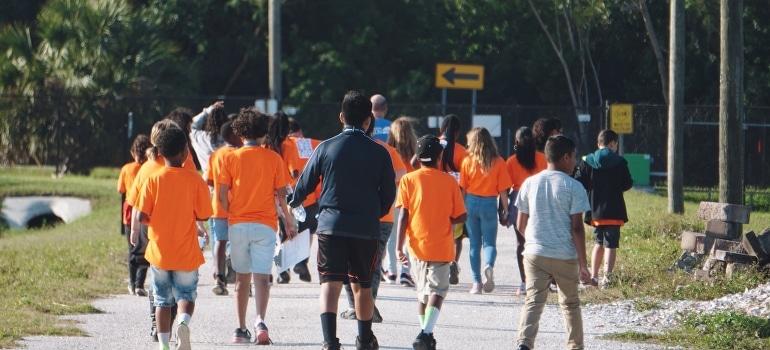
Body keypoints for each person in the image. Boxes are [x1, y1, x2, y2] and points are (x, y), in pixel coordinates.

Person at [290, 91, 396, 350]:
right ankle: (364, 339)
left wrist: (293, 203)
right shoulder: (380, 153)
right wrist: (374, 214)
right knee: (362, 285)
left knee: (330, 284)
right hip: (365, 228)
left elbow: (303, 185)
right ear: (368, 121)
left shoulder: (325, 147)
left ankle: (330, 341)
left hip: (330, 226)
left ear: (341, 117)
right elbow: (389, 195)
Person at [217, 107, 298, 345]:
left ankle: (240, 329)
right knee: (262, 277)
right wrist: (289, 222)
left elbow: (221, 195)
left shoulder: (230, 158)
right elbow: (282, 197)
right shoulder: (273, 158)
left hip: (238, 223)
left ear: (240, 133)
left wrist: (232, 211)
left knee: (242, 279)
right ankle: (260, 320)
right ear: (264, 133)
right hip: (265, 225)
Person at [134, 127, 213, 350]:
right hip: (186, 251)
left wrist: (157, 223)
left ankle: (164, 346)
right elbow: (205, 214)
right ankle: (183, 323)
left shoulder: (152, 179)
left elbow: (141, 216)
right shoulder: (195, 180)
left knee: (161, 300)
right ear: (185, 151)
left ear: (160, 152)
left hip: (159, 251)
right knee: (186, 295)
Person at [514, 135, 591, 350]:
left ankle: (524, 343)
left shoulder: (530, 182)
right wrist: (583, 265)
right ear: (566, 157)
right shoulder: (574, 187)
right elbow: (577, 228)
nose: (575, 161)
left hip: (535, 253)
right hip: (565, 256)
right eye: (574, 157)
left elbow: (520, 223)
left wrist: (533, 241)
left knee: (534, 301)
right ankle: (575, 346)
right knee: (570, 304)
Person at [395, 135, 466, 350]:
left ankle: (426, 335)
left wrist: (399, 246)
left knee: (422, 292)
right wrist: (448, 218)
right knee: (438, 291)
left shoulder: (408, 179)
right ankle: (425, 333)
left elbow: (404, 216)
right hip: (442, 245)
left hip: (416, 244)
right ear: (440, 156)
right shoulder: (449, 181)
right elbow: (462, 216)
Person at [339, 113, 406, 323]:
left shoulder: (345, 147)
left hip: (354, 214)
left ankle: (357, 306)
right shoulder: (385, 149)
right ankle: (368, 306)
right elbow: (402, 172)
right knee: (374, 263)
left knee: (349, 262)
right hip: (383, 215)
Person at [573, 129, 633, 288]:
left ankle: (593, 276)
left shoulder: (588, 161)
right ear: (612, 143)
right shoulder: (620, 162)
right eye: (615, 145)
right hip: (614, 211)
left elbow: (578, 181)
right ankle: (607, 277)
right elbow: (627, 184)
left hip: (595, 211)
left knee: (598, 242)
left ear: (598, 144)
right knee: (611, 244)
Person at [459, 127, 511, 294]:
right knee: (489, 243)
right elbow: (503, 190)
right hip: (489, 203)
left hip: (471, 202)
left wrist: (460, 208)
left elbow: (464, 188)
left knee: (474, 244)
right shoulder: (499, 161)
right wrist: (506, 210)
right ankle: (488, 265)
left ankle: (476, 283)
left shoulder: (467, 161)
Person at [504, 127, 547, 296]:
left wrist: (504, 211)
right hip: (540, 202)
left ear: (516, 143)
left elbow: (505, 189)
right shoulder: (543, 159)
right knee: (541, 243)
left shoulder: (511, 162)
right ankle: (542, 281)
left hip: (518, 202)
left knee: (521, 243)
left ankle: (524, 282)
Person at [264, 111, 303, 284]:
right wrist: (289, 182)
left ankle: (266, 270)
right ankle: (283, 269)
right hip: (284, 190)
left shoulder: (265, 145)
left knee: (268, 232)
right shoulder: (288, 144)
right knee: (286, 229)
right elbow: (295, 171)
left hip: (265, 190)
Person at [206, 121, 242, 296]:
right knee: (239, 242)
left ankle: (219, 276)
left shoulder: (215, 155)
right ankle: (241, 278)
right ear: (234, 136)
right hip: (237, 205)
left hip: (218, 205)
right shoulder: (239, 155)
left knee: (220, 241)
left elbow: (209, 181)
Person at [384, 116, 418, 287]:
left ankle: (391, 271)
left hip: (392, 192)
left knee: (392, 234)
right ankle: (406, 271)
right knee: (409, 234)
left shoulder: (388, 151)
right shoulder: (415, 154)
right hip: (411, 192)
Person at [117, 134, 152, 296]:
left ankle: (131, 283)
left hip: (130, 210)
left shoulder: (126, 168)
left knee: (132, 248)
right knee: (144, 246)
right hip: (145, 208)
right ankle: (140, 284)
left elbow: (121, 190)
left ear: (133, 152)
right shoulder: (150, 167)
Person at [437, 115, 467, 285]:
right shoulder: (462, 151)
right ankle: (453, 262)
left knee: (439, 232)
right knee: (457, 236)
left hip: (436, 194)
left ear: (441, 129)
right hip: (455, 197)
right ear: (457, 132)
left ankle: (439, 264)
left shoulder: (435, 144)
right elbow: (465, 178)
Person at [190, 100, 227, 178]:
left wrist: (208, 111)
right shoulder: (230, 138)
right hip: (227, 179)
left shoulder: (201, 137)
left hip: (207, 178)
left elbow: (191, 125)